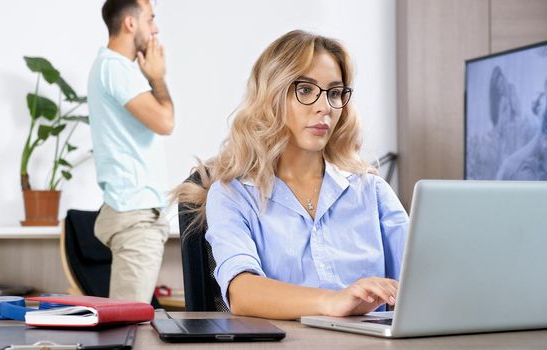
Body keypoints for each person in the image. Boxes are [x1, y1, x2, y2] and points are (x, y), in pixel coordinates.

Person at [172, 30, 408, 320]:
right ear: (271, 97)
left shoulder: (371, 191)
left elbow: (424, 280)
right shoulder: (233, 194)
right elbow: (242, 293)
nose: (325, 107)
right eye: (306, 90)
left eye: (334, 93)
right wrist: (333, 301)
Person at [87, 0, 174, 303]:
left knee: (131, 325)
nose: (156, 28)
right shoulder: (115, 67)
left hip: (137, 213)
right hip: (135, 218)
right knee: (128, 328)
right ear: (130, 23)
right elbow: (165, 122)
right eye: (150, 19)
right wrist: (158, 78)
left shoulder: (115, 68)